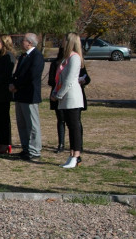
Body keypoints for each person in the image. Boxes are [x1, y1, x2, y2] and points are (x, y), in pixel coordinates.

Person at [51, 32, 87, 169]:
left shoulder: (75, 58)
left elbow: (69, 81)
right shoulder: (66, 58)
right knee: (69, 126)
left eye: (64, 40)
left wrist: (58, 95)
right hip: (64, 97)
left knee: (74, 127)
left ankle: (76, 155)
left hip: (72, 97)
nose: (62, 42)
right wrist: (55, 92)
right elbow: (60, 79)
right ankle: (71, 154)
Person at [9, 32, 44, 161]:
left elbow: (32, 76)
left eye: (23, 40)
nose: (21, 42)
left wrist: (17, 85)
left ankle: (34, 151)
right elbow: (18, 73)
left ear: (30, 42)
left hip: (30, 95)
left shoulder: (37, 56)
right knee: (22, 123)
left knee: (32, 124)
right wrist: (12, 83)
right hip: (20, 95)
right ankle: (26, 148)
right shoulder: (23, 56)